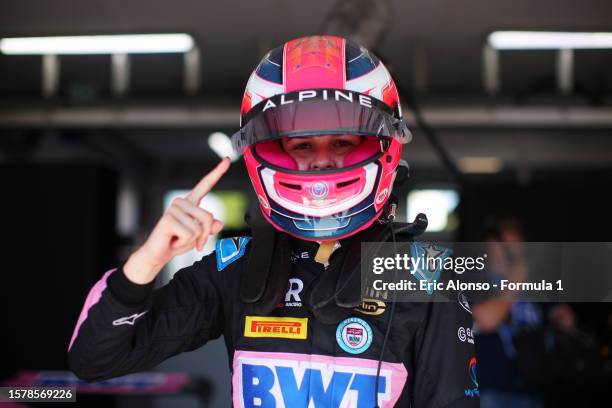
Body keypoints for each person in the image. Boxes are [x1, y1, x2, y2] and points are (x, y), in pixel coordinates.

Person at [68, 35, 478, 407]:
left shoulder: (428, 277)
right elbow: (94, 359)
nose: (322, 159)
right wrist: (148, 261)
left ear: (379, 144)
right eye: (302, 143)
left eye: (342, 140)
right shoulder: (240, 266)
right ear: (269, 150)